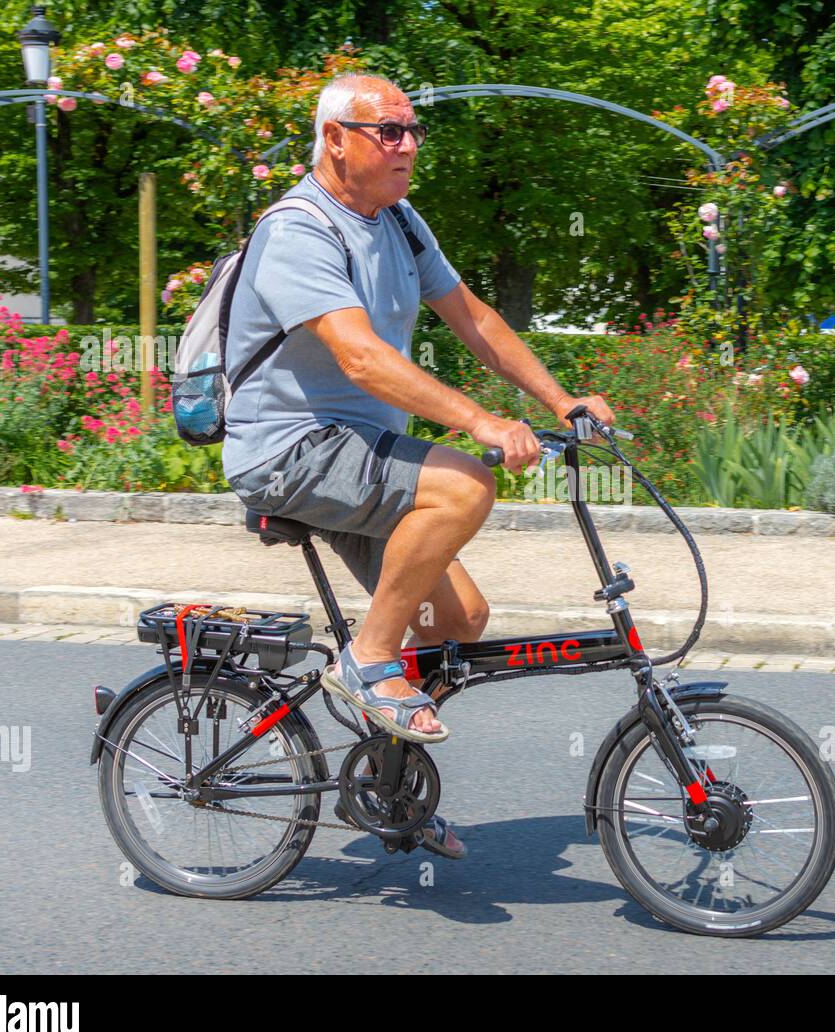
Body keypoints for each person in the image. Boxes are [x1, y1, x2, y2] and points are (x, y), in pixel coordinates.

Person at [221, 72, 614, 858]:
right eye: (387, 131)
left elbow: (474, 318)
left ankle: (389, 788)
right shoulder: (300, 229)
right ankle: (368, 659)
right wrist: (480, 421)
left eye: (411, 130)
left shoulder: (396, 220)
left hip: (356, 453)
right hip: (291, 450)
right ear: (335, 139)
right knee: (465, 481)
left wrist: (561, 399)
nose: (407, 145)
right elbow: (361, 358)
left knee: (457, 621)